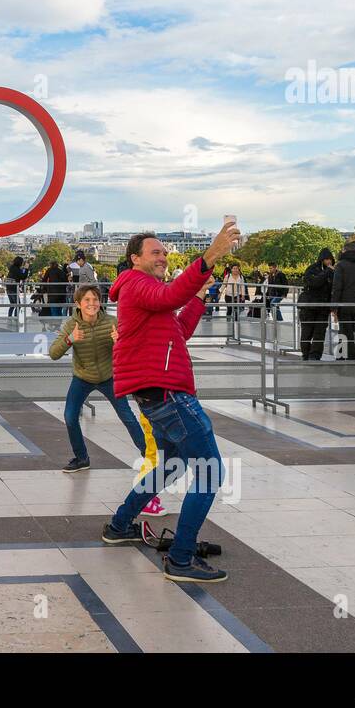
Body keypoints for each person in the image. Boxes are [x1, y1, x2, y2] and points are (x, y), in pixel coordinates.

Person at [99, 221, 240, 583]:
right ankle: (180, 559)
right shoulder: (137, 284)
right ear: (135, 259)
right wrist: (210, 255)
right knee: (210, 473)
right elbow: (169, 297)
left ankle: (119, 525)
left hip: (156, 396)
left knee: (174, 466)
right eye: (155, 252)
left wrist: (199, 294)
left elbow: (180, 329)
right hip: (170, 395)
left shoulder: (146, 292)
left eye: (164, 252)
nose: (162, 257)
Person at [49, 283, 168, 515]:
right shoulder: (71, 324)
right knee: (70, 417)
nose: (92, 304)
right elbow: (53, 353)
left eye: (95, 299)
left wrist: (119, 341)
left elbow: (132, 348)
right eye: (87, 301)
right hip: (82, 377)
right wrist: (69, 339)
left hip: (109, 377)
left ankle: (147, 455)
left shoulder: (111, 323)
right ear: (78, 304)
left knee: (127, 417)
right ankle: (82, 458)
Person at [298, 248, 335, 360]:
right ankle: (306, 354)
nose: (329, 262)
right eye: (327, 259)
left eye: (330, 259)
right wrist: (327, 272)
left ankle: (315, 356)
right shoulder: (311, 269)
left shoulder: (333, 271)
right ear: (322, 259)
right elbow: (314, 283)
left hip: (323, 308)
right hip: (308, 307)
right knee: (307, 332)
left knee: (319, 333)